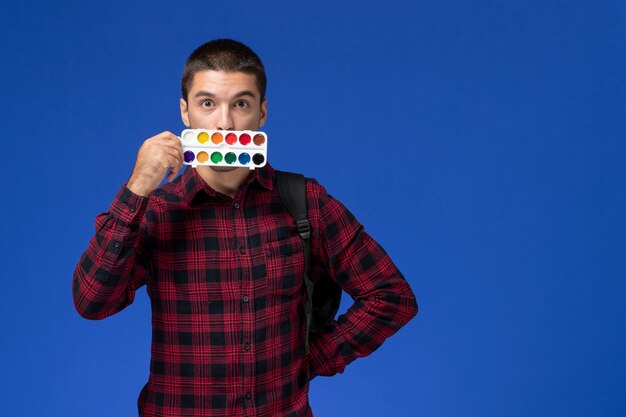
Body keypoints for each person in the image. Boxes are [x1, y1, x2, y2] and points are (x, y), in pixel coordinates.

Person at [73, 38, 418, 417]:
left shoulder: (306, 202)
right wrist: (136, 187)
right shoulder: (156, 211)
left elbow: (392, 296)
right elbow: (92, 301)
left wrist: (308, 362)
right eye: (208, 104)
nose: (224, 122)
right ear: (185, 113)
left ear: (262, 113)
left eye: (240, 103)